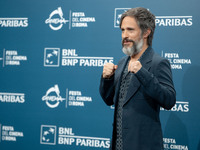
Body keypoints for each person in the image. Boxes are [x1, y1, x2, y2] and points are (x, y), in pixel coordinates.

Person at [99, 7, 176, 150]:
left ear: (146, 32)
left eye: (130, 30)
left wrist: (142, 73)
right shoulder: (122, 62)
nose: (124, 35)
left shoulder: (158, 63)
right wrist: (107, 79)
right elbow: (109, 99)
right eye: (122, 30)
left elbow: (169, 100)